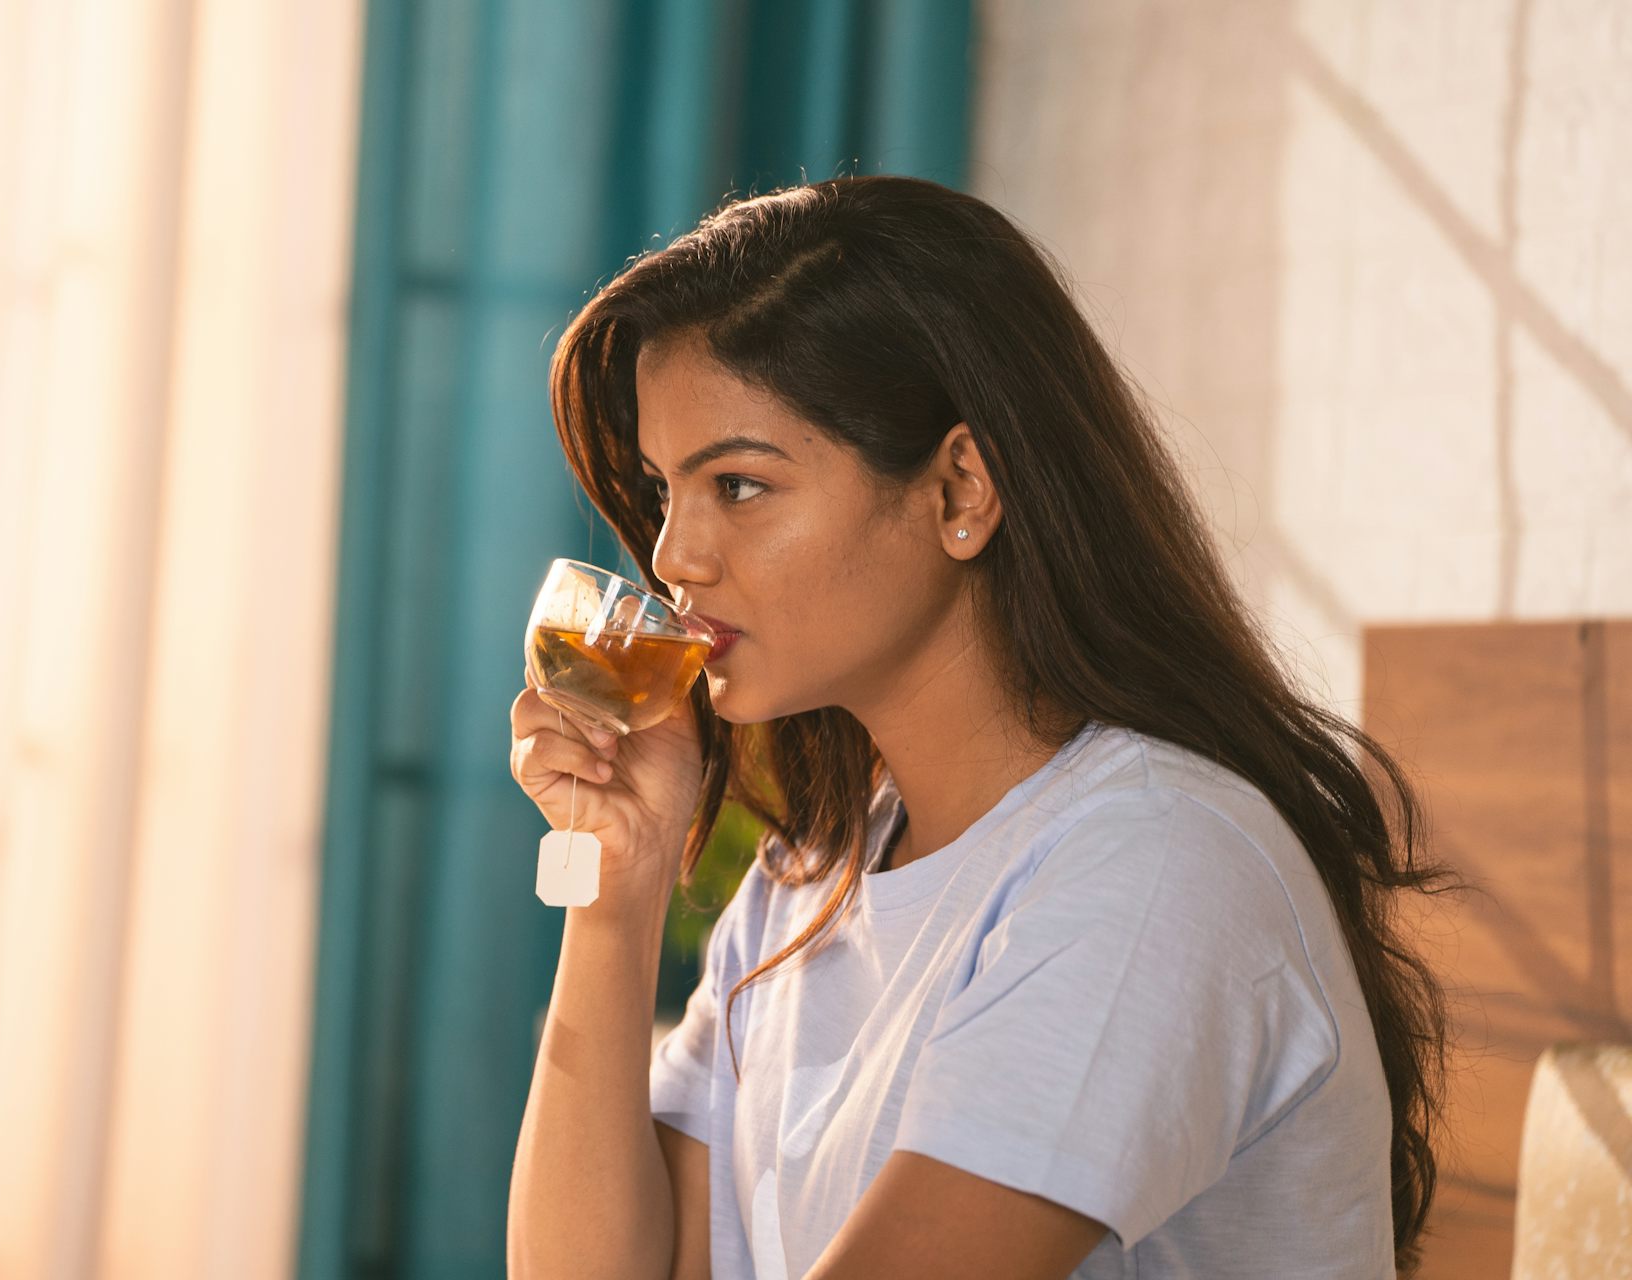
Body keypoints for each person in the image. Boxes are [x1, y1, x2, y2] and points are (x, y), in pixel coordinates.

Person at [505, 175, 1459, 1280]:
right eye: (665, 491)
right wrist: (617, 889)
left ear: (962, 489)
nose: (673, 555)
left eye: (740, 484)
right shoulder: (804, 888)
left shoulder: (1155, 864)